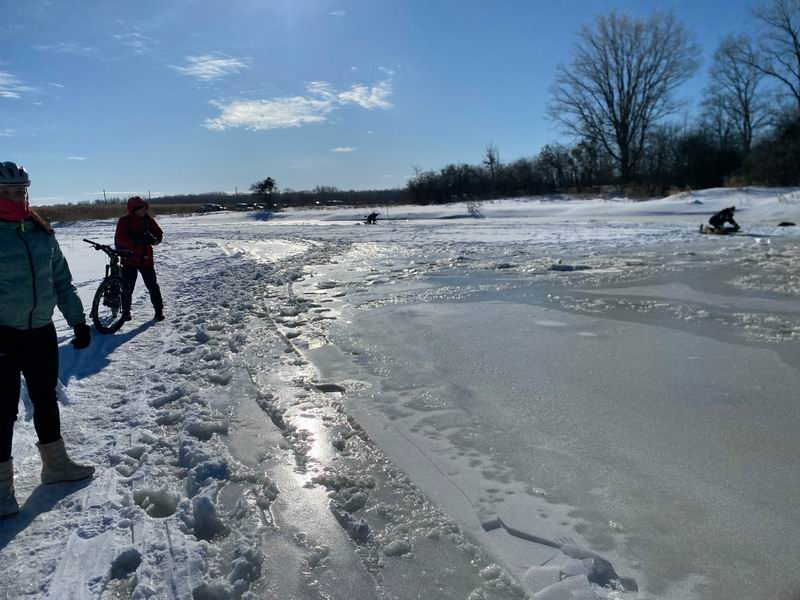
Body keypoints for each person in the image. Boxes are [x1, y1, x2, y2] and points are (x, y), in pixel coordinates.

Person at [0, 161, 95, 517]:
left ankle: (55, 466)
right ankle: (1, 491)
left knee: (45, 399)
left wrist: (79, 322)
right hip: (3, 336)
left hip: (40, 332)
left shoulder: (42, 233)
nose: (14, 197)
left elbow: (62, 282)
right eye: (6, 192)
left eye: (20, 191)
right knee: (2, 411)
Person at [115, 196, 164, 321]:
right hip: (129, 260)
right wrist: (135, 241)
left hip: (146, 260)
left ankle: (159, 312)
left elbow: (159, 234)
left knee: (153, 286)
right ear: (134, 210)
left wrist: (155, 239)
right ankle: (126, 312)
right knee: (127, 288)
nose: (144, 211)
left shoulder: (149, 221)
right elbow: (120, 238)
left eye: (145, 208)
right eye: (141, 209)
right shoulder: (124, 221)